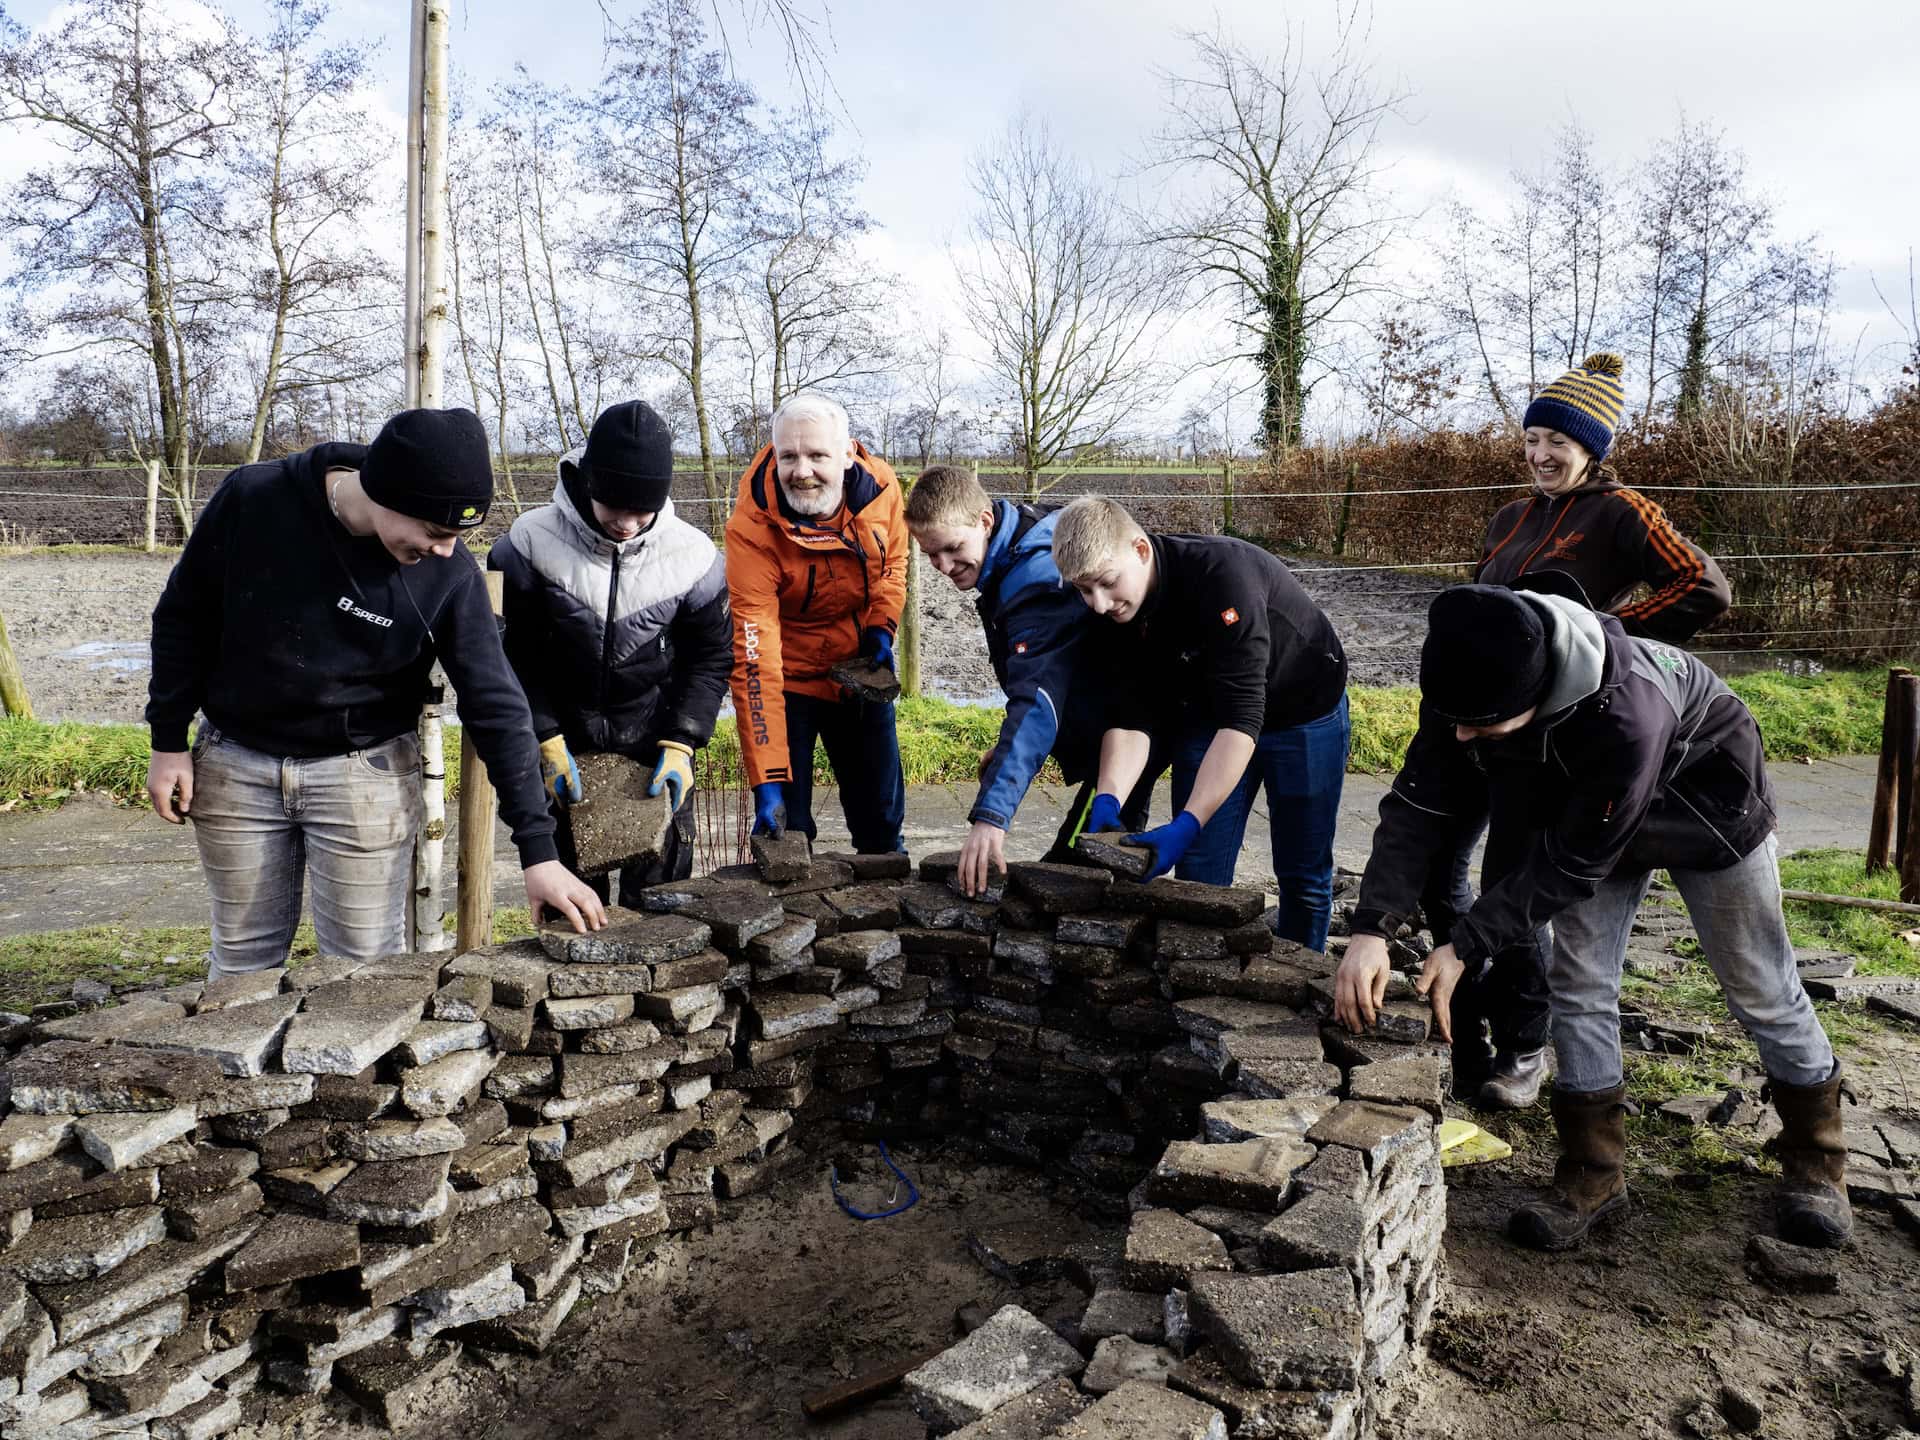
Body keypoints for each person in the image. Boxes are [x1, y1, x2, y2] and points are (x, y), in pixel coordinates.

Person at [1333, 584, 1848, 1253]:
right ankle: (1593, 1174)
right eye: (1453, 719)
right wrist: (1373, 928)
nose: (1461, 736)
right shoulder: (1474, 667)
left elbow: (1572, 865)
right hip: (1586, 812)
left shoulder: (1627, 712)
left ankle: (1818, 1168)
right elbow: (1419, 807)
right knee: (1579, 984)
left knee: (1760, 985)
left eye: (1479, 725)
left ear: (1539, 693)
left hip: (1707, 814)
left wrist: (1462, 946)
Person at [144, 407, 607, 979]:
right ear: (387, 492)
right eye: (436, 532)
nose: (445, 549)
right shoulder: (255, 499)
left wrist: (540, 852)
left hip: (363, 775)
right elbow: (182, 618)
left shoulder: (449, 575)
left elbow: (496, 705)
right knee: (244, 960)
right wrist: (167, 740)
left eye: (458, 535)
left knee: (363, 972)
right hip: (237, 763)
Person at [1428, 352, 1735, 1110]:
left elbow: (1702, 586)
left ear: (1592, 447)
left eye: (1556, 443)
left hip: (1566, 736)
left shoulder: (1621, 510)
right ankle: (1460, 1023)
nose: (1540, 456)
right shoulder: (1511, 518)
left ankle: (1525, 1046)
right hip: (1496, 729)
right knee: (1441, 868)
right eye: (1531, 439)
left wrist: (1605, 635)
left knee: (1513, 883)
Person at [1052, 496, 1351, 951]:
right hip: (1210, 713)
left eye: (1107, 584)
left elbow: (1243, 720)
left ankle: (1301, 984)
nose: (1097, 604)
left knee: (1302, 872)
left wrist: (1188, 821)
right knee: (1199, 872)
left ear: (1140, 549)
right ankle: (1203, 989)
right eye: (1083, 589)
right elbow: (1131, 714)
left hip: (1302, 711)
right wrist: (1109, 796)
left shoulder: (1223, 577)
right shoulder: (1112, 611)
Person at [490, 400, 730, 907]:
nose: (626, 523)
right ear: (587, 481)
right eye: (613, 507)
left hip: (654, 747)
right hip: (564, 748)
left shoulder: (694, 559)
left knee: (664, 918)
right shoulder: (527, 545)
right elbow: (513, 658)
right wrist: (544, 739)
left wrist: (683, 742)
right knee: (571, 916)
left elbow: (708, 660)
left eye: (642, 511)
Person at [904, 466, 1152, 897]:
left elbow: (1036, 700)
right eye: (929, 554)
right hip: (1115, 729)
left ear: (984, 521)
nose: (942, 566)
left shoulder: (1035, 581)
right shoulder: (1025, 535)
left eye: (951, 547)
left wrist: (991, 817)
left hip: (1133, 739)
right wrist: (1003, 754)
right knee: (1082, 877)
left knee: (1081, 880)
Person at [724, 393, 908, 853]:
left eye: (817, 455)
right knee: (787, 832)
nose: (801, 471)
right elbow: (754, 656)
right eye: (789, 456)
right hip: (786, 684)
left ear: (848, 454)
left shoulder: (883, 491)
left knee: (881, 823)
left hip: (857, 671)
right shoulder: (751, 530)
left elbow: (895, 565)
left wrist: (881, 627)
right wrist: (766, 777)